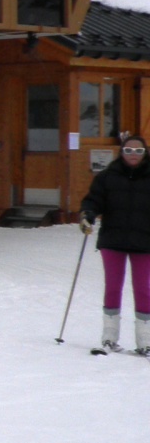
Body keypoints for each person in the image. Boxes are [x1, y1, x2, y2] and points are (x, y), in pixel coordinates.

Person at [80, 133, 150, 354]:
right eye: (129, 150)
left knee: (143, 289)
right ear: (121, 152)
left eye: (138, 151)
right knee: (113, 286)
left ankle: (145, 340)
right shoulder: (108, 176)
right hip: (113, 240)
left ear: (145, 153)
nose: (133, 155)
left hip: (144, 241)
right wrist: (88, 214)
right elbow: (94, 199)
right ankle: (109, 337)